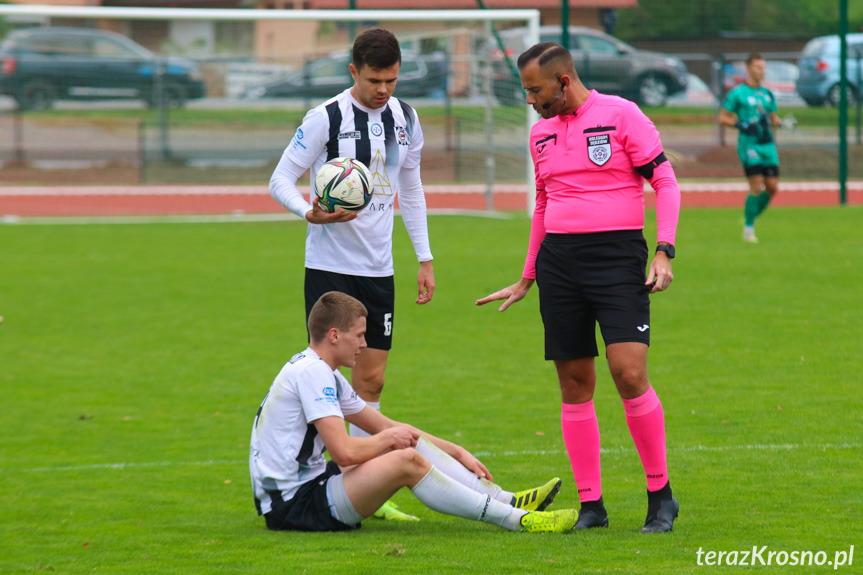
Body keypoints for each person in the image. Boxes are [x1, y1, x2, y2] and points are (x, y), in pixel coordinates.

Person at [476, 43, 681, 534]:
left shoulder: (623, 115)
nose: (529, 99)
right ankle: (593, 505)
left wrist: (664, 249)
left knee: (628, 373)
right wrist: (529, 274)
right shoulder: (540, 134)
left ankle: (661, 496)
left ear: (563, 82)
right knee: (573, 382)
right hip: (560, 265)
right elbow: (543, 205)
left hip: (617, 259)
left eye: (534, 90)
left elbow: (665, 181)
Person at [269, 28, 435, 519]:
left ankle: (363, 482)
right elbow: (280, 178)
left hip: (378, 270)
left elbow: (414, 188)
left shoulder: (406, 117)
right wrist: (308, 212)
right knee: (330, 379)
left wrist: (424, 258)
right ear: (353, 72)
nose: (383, 90)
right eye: (373, 80)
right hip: (329, 269)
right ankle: (339, 479)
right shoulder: (327, 117)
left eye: (391, 80)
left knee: (374, 380)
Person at [249, 291, 578, 533]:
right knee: (404, 459)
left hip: (312, 486)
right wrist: (393, 440)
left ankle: (509, 500)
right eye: (359, 335)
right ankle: (516, 520)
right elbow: (346, 452)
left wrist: (455, 449)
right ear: (334, 335)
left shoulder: (323, 371)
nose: (364, 344)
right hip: (294, 506)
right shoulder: (314, 373)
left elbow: (384, 425)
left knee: (402, 442)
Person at [718, 53, 782, 243]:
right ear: (748, 69)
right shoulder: (738, 93)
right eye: (757, 67)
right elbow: (723, 118)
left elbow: (773, 118)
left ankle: (750, 216)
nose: (761, 71)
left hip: (767, 145)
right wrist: (741, 125)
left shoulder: (767, 94)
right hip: (749, 145)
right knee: (756, 185)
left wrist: (779, 122)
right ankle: (748, 227)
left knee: (772, 187)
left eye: (763, 67)